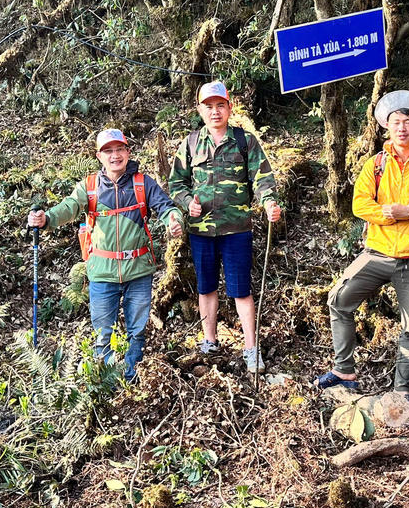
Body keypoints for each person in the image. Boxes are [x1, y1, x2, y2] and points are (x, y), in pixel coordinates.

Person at [318, 91, 409, 407]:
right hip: (377, 252)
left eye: (408, 121)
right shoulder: (376, 164)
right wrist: (388, 213)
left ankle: (402, 390)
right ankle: (344, 371)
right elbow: (360, 203)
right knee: (339, 299)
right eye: (396, 122)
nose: (402, 128)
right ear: (386, 127)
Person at [27, 128, 183, 382]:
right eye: (108, 151)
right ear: (99, 156)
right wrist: (46, 219)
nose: (114, 156)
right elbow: (68, 208)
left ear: (127, 152)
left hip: (139, 270)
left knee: (137, 330)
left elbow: (165, 206)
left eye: (119, 149)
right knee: (103, 332)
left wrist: (174, 219)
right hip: (101, 271)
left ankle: (132, 377)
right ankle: (108, 382)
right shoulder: (89, 187)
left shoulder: (143, 183)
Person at [168, 81, 282, 373]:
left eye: (220, 105)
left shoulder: (245, 141)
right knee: (206, 288)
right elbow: (176, 183)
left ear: (230, 108)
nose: (215, 111)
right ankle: (209, 341)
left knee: (241, 289)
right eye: (209, 106)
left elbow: (263, 179)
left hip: (236, 230)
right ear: (200, 110)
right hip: (201, 231)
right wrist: (186, 203)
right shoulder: (191, 143)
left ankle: (251, 348)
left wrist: (269, 203)